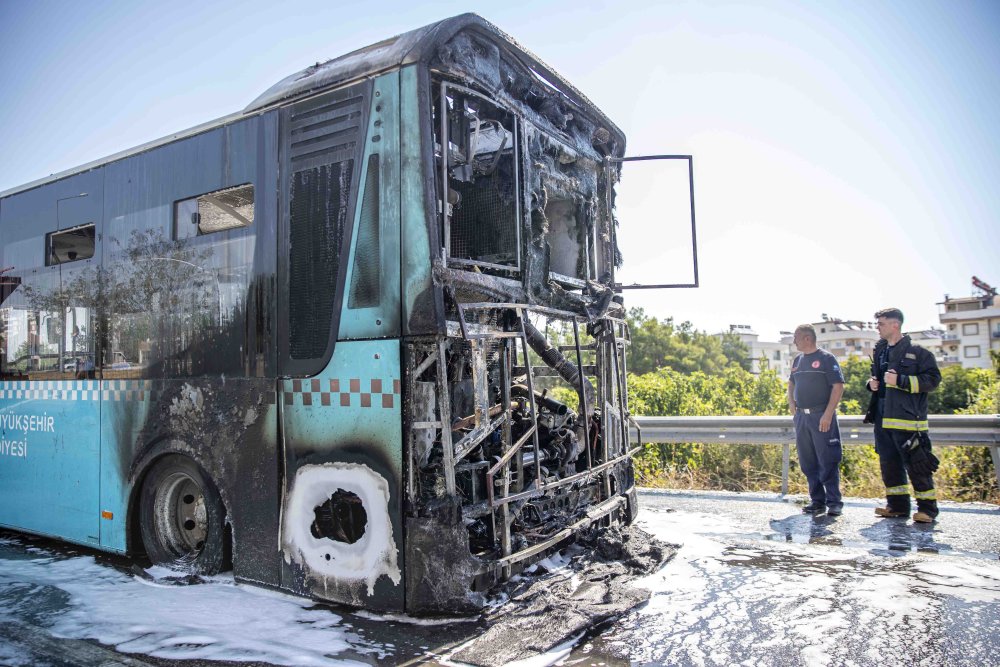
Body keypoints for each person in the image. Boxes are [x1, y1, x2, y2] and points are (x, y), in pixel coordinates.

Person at [864, 308, 942, 523]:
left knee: (917, 465)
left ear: (895, 325)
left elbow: (933, 381)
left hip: (907, 421)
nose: (877, 328)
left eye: (880, 324)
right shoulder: (880, 352)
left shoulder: (919, 353)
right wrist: (871, 385)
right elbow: (878, 380)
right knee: (889, 464)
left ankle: (927, 510)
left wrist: (901, 381)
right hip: (882, 420)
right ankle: (897, 506)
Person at [787, 324, 845, 515]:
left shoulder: (826, 358)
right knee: (808, 461)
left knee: (827, 459)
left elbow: (838, 387)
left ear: (807, 339)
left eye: (796, 337)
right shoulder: (798, 360)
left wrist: (828, 414)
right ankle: (817, 501)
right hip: (802, 417)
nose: (793, 341)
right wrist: (792, 406)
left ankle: (834, 502)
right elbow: (791, 383)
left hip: (822, 416)